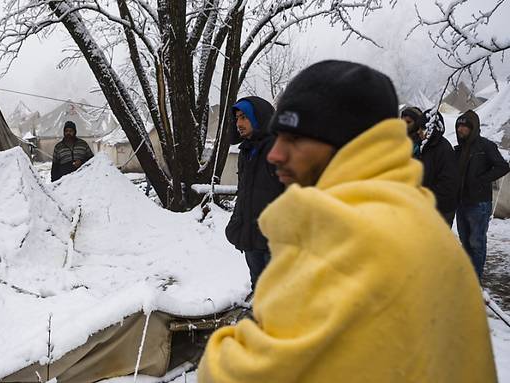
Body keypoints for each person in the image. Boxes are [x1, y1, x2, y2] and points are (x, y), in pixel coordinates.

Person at [198, 61, 496, 383]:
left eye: (294, 139)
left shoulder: (344, 240)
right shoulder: (416, 218)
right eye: (277, 137)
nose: (276, 154)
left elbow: (232, 376)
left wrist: (230, 345)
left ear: (343, 143)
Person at [224, 97, 284, 291]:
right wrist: (237, 223)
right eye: (237, 119)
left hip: (275, 241)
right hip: (252, 239)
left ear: (258, 117)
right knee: (259, 290)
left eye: (244, 117)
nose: (239, 123)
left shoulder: (278, 149)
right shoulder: (246, 151)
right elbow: (244, 193)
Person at [455, 109, 509, 280]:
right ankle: (467, 276)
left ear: (473, 128)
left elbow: (503, 166)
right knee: (465, 241)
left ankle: (475, 279)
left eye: (464, 126)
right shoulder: (459, 149)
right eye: (458, 126)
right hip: (462, 202)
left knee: (476, 243)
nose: (460, 129)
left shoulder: (485, 146)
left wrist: (481, 180)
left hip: (479, 203)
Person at [415, 109, 459, 226]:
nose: (419, 132)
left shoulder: (443, 150)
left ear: (431, 129)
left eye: (422, 128)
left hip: (441, 210)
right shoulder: (425, 147)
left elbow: (448, 184)